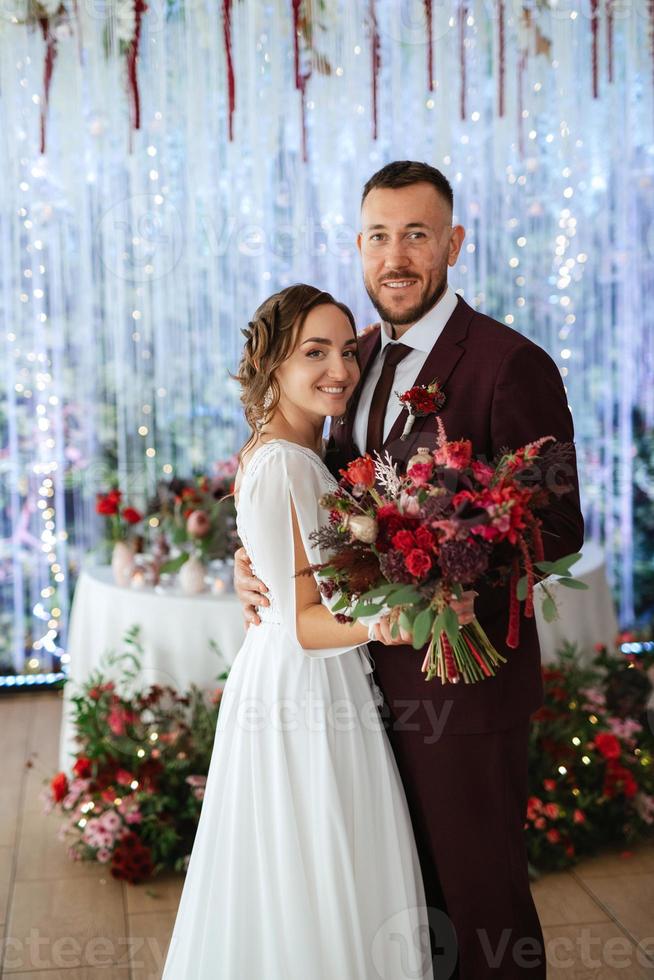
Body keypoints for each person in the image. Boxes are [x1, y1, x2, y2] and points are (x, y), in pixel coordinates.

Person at [235, 162, 585, 979]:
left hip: (462, 686)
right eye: (380, 237)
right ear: (360, 247)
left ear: (453, 244)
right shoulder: (343, 359)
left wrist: (451, 567)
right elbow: (299, 488)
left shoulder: (509, 364)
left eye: (417, 236)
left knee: (480, 902)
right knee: (393, 907)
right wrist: (252, 559)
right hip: (352, 686)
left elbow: (561, 523)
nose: (396, 257)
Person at [162, 283, 474, 979]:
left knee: (312, 862)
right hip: (303, 688)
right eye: (315, 352)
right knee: (319, 861)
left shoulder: (299, 451)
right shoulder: (282, 462)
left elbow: (296, 580)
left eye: (346, 351)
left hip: (305, 681)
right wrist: (401, 616)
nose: (339, 369)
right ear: (272, 364)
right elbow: (304, 622)